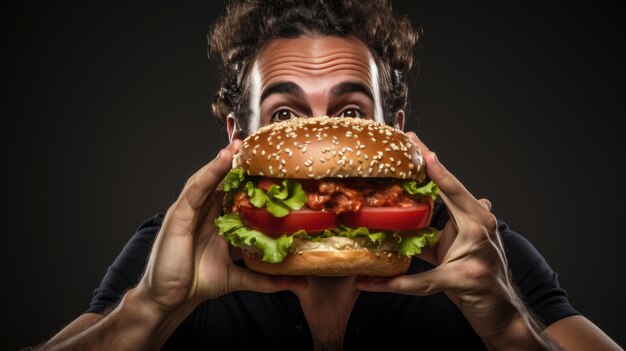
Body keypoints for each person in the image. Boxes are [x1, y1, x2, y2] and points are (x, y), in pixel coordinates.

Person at [33, 1, 621, 350]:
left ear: (400, 130)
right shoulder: (183, 244)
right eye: (285, 113)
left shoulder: (472, 246)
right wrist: (149, 310)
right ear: (237, 137)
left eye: (350, 112)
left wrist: (510, 328)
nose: (323, 138)